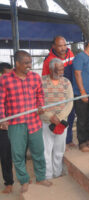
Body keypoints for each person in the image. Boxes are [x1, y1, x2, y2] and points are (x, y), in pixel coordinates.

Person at [0, 51, 52, 193]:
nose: (30, 65)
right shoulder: (5, 79)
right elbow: (1, 101)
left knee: (38, 151)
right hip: (15, 124)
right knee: (17, 155)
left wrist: (40, 104)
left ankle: (41, 177)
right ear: (17, 63)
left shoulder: (35, 77)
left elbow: (40, 94)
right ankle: (24, 180)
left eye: (30, 62)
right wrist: (3, 119)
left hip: (34, 122)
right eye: (26, 63)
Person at [41, 58, 73, 180]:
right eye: (59, 69)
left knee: (59, 150)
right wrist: (50, 117)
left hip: (62, 123)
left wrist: (59, 117)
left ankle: (57, 173)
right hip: (45, 122)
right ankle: (48, 175)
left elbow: (70, 103)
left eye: (62, 68)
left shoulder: (66, 82)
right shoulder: (41, 82)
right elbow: (38, 103)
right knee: (46, 151)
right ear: (51, 69)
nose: (61, 70)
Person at [42, 36, 76, 149]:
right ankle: (58, 143)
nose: (63, 48)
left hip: (69, 88)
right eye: (60, 46)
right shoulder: (48, 60)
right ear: (53, 46)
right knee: (55, 117)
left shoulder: (70, 53)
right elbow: (46, 81)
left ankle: (68, 139)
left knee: (69, 115)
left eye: (64, 45)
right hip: (55, 92)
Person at [72, 38, 89, 152]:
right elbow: (77, 74)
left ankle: (88, 140)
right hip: (81, 94)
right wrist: (83, 92)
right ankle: (82, 143)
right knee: (82, 119)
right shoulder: (80, 57)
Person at [0, 62, 14, 194]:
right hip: (2, 127)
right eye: (6, 75)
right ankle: (9, 182)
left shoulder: (13, 87)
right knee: (5, 155)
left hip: (14, 125)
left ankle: (21, 179)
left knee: (15, 154)